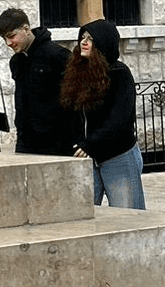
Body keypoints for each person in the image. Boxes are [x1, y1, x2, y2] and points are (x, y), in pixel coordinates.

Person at [61, 19, 146, 209]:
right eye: (82, 37)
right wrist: (76, 143)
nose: (83, 42)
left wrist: (91, 144)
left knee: (128, 216)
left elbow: (120, 119)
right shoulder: (77, 74)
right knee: (85, 216)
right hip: (87, 159)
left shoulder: (119, 74)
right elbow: (71, 114)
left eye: (90, 39)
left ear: (103, 43)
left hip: (118, 156)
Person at [0, 7, 75, 156]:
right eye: (4, 38)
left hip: (58, 142)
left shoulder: (57, 55)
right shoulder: (16, 62)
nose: (8, 43)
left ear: (26, 29)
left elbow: (76, 98)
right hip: (26, 142)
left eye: (11, 36)